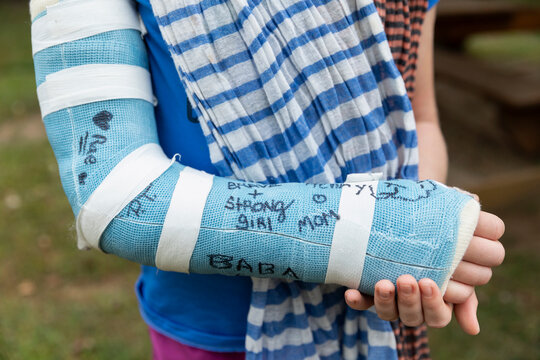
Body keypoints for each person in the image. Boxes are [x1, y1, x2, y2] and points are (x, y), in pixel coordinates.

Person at [29, 0, 505, 359]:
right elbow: (120, 200)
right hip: (212, 329)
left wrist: (408, 246)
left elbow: (421, 118)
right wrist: (378, 231)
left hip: (377, 310)